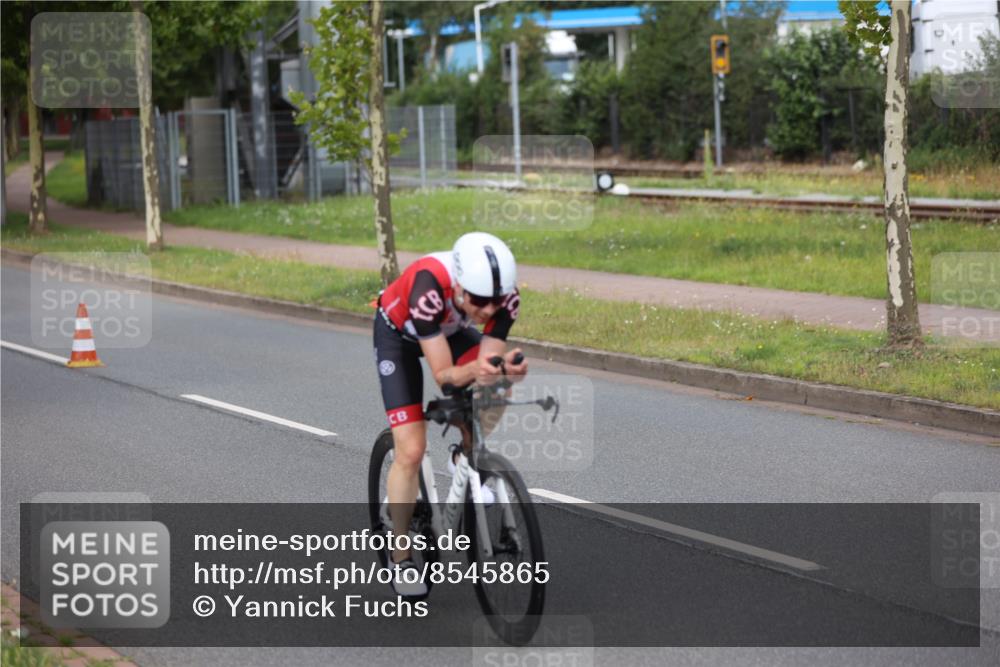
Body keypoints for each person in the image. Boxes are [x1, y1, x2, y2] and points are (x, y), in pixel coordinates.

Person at [373, 232, 526, 597]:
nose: (488, 311)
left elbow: (485, 365)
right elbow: (445, 378)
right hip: (400, 336)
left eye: (494, 302)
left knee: (496, 384)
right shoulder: (427, 289)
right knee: (410, 450)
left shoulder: (507, 300)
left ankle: (465, 458)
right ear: (458, 286)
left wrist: (500, 371)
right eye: (478, 301)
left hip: (451, 330)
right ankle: (401, 555)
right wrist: (481, 369)